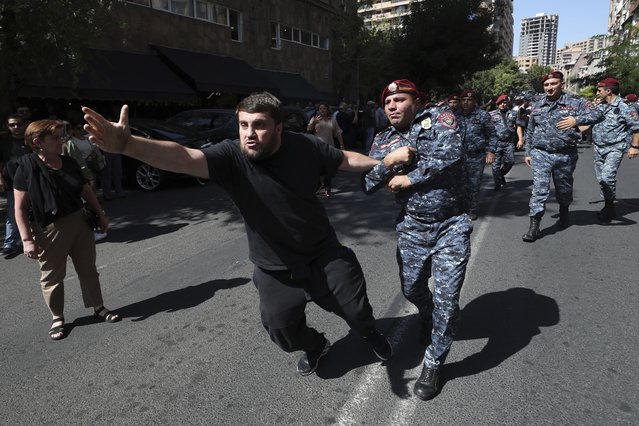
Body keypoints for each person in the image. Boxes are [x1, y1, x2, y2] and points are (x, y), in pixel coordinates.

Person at [82, 92, 392, 376]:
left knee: (356, 309)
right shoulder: (232, 157)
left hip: (322, 253)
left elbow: (345, 159)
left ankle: (368, 332)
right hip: (275, 265)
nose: (248, 133)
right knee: (281, 330)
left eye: (258, 125)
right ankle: (315, 346)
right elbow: (185, 158)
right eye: (243, 124)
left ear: (279, 127)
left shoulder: (305, 146)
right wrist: (129, 145)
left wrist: (383, 164)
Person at [364, 79, 472, 401]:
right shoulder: (383, 141)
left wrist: (410, 175)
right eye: (387, 103)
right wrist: (389, 162)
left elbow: (451, 153)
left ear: (416, 100)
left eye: (399, 99)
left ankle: (434, 363)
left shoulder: (440, 119)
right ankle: (428, 315)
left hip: (450, 225)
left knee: (447, 299)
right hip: (412, 227)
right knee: (411, 287)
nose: (392, 106)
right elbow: (368, 184)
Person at [13, 120, 118, 340]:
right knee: (52, 277)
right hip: (49, 230)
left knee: (88, 269)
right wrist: (27, 239)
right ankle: (57, 318)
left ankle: (98, 307)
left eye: (62, 136)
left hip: (80, 222)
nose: (62, 140)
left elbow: (85, 189)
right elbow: (20, 209)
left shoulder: (68, 162)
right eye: (55, 138)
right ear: (37, 142)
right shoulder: (26, 167)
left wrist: (100, 213)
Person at [522, 71, 604, 242]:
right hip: (541, 153)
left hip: (565, 155)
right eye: (546, 85)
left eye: (553, 84)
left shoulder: (576, 102)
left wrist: (577, 120)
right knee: (539, 190)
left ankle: (564, 211)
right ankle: (534, 227)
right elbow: (530, 130)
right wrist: (528, 152)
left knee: (564, 188)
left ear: (562, 84)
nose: (549, 87)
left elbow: (598, 114)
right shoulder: (537, 104)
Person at [588, 78, 639, 221]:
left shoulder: (625, 107)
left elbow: (636, 128)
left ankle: (610, 208)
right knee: (601, 179)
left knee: (606, 177)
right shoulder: (601, 106)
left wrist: (634, 147)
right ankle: (608, 204)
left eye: (600, 90)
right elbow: (589, 122)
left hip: (615, 148)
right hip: (598, 148)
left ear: (608, 91)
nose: (598, 92)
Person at [454, 89, 497, 220]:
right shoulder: (454, 116)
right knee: (458, 183)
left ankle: (471, 209)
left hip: (476, 156)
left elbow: (492, 134)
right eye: (463, 100)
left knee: (473, 184)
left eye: (469, 100)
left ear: (474, 101)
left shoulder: (483, 115)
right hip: (458, 156)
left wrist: (491, 151)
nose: (466, 102)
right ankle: (460, 208)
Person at [62, 122, 108, 240]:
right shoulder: (69, 143)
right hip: (75, 180)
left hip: (65, 181)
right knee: (86, 205)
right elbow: (79, 163)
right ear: (69, 130)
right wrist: (88, 177)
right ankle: (89, 232)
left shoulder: (55, 144)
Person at [1, 114, 30, 255]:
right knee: (13, 214)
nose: (16, 127)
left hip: (33, 182)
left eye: (19, 124)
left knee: (37, 211)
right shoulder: (4, 142)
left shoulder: (30, 140)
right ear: (8, 126)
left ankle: (34, 239)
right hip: (13, 184)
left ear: (24, 124)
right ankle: (10, 243)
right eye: (12, 125)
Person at [306, 102, 344, 196]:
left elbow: (338, 133)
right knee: (317, 168)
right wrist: (314, 122)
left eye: (324, 108)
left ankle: (327, 188)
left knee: (328, 168)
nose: (322, 110)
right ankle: (319, 186)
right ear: (318, 110)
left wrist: (342, 145)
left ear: (327, 110)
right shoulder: (314, 119)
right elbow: (308, 130)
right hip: (317, 147)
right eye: (320, 109)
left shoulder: (333, 120)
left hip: (329, 147)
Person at [488, 95, 524, 190]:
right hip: (496, 143)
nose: (503, 104)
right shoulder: (491, 115)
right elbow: (487, 129)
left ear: (507, 103)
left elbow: (519, 126)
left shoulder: (514, 113)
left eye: (504, 102)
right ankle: (497, 183)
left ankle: (500, 175)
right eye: (500, 103)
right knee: (495, 165)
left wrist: (520, 139)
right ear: (497, 104)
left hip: (509, 143)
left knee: (510, 162)